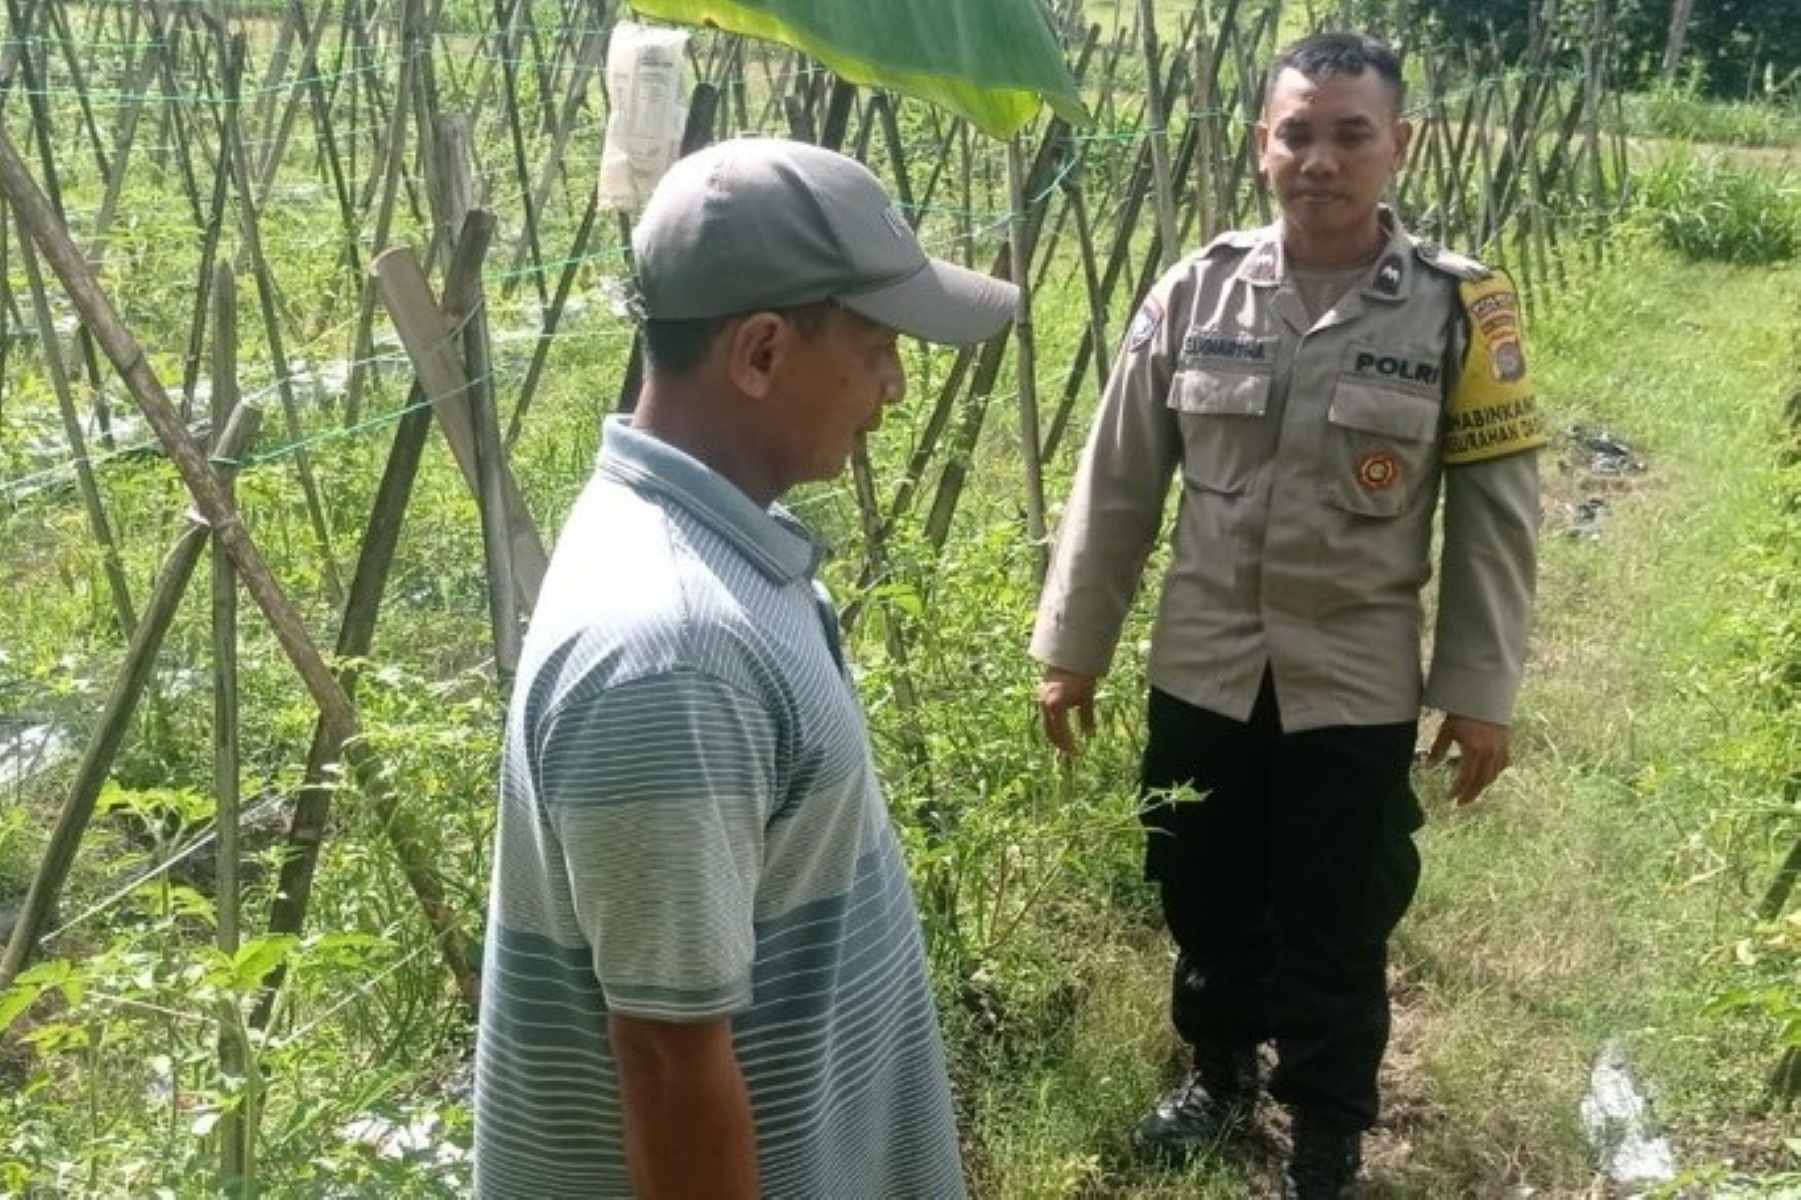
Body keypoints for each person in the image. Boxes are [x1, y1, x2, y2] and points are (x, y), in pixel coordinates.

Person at [1029, 32, 1545, 1200]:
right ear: (1261, 144)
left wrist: (1479, 691)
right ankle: (1217, 1075)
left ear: (1396, 146)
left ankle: (1324, 1134)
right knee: (1199, 883)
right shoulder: (1194, 290)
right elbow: (1114, 487)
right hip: (1203, 669)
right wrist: (1072, 650)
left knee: (1337, 914)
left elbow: (1494, 520)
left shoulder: (1459, 312)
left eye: (1349, 133)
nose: (1320, 158)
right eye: (1296, 132)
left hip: (1352, 683)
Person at [473, 138, 1017, 1198]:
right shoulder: (675, 656)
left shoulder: (715, 557)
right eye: (875, 345)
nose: (896, 385)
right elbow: (671, 1067)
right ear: (762, 351)